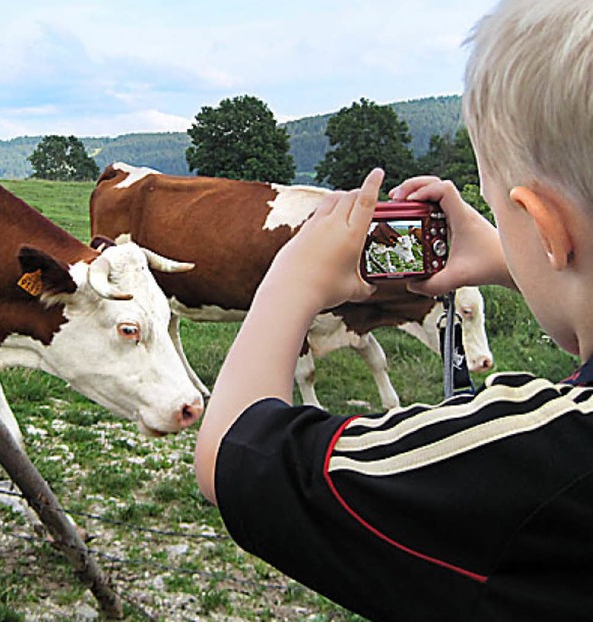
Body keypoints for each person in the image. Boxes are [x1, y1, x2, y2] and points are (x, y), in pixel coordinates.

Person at [194, 0, 593, 619]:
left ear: (546, 227)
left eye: (499, 213)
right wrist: (505, 254)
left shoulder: (533, 456)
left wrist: (290, 278)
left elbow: (231, 454)